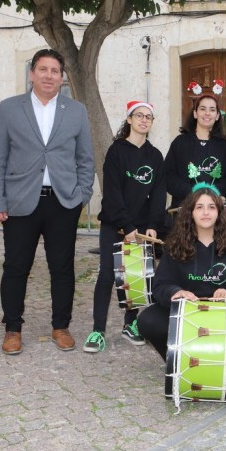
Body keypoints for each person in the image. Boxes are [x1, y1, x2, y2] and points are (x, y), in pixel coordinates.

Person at [0, 49, 95, 355]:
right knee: (15, 266)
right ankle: (12, 328)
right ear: (32, 73)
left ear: (62, 77)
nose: (49, 75)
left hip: (63, 202)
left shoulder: (76, 111)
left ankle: (61, 326)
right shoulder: (9, 109)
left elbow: (86, 159)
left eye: (55, 71)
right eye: (43, 69)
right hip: (20, 201)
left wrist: (82, 196)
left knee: (62, 267)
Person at [137, 187, 226, 370]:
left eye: (211, 207)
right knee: (147, 321)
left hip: (222, 313)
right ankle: (178, 361)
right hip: (187, 313)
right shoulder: (175, 244)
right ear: (190, 212)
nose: (206, 212)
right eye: (199, 207)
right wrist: (176, 292)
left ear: (219, 212)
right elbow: (160, 285)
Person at [85, 100, 167, 353]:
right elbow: (112, 193)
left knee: (135, 277)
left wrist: (152, 225)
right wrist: (126, 225)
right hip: (115, 224)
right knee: (107, 275)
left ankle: (130, 324)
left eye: (148, 117)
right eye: (139, 115)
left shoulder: (155, 156)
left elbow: (158, 194)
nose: (144, 120)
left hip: (141, 228)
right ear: (129, 119)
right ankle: (97, 331)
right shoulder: (116, 151)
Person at [163, 89, 226, 207]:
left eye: (212, 110)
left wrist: (212, 194)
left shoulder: (225, 146)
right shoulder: (180, 143)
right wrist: (193, 193)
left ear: (217, 116)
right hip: (184, 207)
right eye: (203, 109)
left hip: (213, 208)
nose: (207, 113)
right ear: (195, 114)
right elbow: (169, 176)